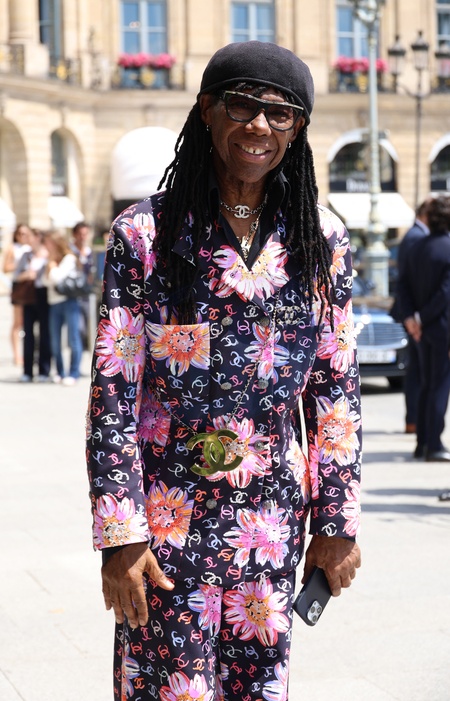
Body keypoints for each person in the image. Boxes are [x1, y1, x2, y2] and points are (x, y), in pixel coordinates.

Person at [86, 41, 362, 701]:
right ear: (208, 109)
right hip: (166, 535)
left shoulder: (321, 242)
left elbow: (335, 394)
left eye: (281, 113)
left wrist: (336, 521)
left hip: (270, 531)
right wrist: (120, 535)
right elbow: (113, 396)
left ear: (297, 129)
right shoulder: (144, 237)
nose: (260, 126)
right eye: (243, 105)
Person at [397, 195, 450, 462]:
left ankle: (422, 441)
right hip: (442, 327)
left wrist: (412, 319)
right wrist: (421, 318)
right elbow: (445, 293)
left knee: (426, 383)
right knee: (440, 385)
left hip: (420, 330)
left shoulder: (417, 247)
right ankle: (434, 444)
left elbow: (402, 285)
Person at [391, 199, 431, 435]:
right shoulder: (417, 237)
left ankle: (414, 420)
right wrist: (414, 317)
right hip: (414, 315)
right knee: (418, 370)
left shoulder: (414, 234)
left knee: (416, 369)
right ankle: (415, 420)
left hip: (412, 313)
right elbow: (410, 280)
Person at [43, 230, 83, 385]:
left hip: (69, 301)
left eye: (48, 243)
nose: (46, 246)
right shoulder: (51, 260)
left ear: (56, 243)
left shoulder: (69, 258)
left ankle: (73, 373)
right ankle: (60, 372)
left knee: (73, 338)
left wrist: (52, 266)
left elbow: (56, 278)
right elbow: (45, 282)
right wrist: (51, 266)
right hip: (54, 302)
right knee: (55, 340)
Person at [14, 228, 51, 382]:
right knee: (28, 333)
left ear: (38, 237)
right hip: (29, 295)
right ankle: (27, 371)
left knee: (45, 334)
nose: (28, 239)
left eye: (30, 236)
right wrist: (27, 275)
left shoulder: (48, 253)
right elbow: (16, 276)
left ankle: (44, 370)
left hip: (44, 295)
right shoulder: (26, 255)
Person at [2, 223, 32, 366]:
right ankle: (17, 355)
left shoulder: (31, 247)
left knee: (29, 321)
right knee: (18, 322)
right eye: (20, 234)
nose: (22, 236)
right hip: (19, 286)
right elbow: (5, 268)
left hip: (31, 285)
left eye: (25, 234)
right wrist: (20, 264)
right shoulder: (12, 248)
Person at [71, 221, 95, 349]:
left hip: (86, 292)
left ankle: (83, 347)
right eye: (80, 234)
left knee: (87, 322)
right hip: (72, 292)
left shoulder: (89, 252)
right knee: (77, 325)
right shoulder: (70, 251)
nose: (83, 237)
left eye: (85, 234)